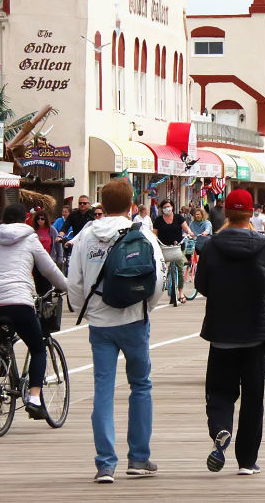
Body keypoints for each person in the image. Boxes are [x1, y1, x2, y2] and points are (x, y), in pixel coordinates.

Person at [68, 179, 166, 484]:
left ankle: (105, 463)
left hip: (100, 323)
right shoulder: (142, 234)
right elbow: (159, 276)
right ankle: (138, 458)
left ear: (101, 205)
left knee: (103, 390)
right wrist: (147, 305)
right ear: (131, 205)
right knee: (140, 385)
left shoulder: (86, 236)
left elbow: (74, 280)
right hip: (134, 319)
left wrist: (79, 308)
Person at [196, 188, 265, 476]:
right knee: (253, 396)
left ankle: (221, 429)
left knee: (220, 390)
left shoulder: (211, 246)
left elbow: (201, 285)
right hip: (255, 331)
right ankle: (246, 460)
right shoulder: (264, 246)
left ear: (226, 212)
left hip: (221, 331)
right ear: (251, 213)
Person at [0, 203, 68, 418]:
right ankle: (34, 399)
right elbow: (49, 269)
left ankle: (3, 360)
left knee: (8, 328)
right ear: (25, 220)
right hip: (18, 301)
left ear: (2, 220)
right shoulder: (30, 238)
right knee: (38, 347)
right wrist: (67, 286)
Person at [153, 199, 194, 305]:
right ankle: (156, 292)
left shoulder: (179, 218)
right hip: (163, 247)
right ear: (162, 209)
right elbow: (154, 234)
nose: (167, 208)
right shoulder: (158, 220)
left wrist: (190, 233)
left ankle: (181, 293)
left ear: (172, 207)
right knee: (159, 269)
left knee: (180, 269)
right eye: (165, 207)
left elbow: (186, 229)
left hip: (178, 246)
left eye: (169, 206)